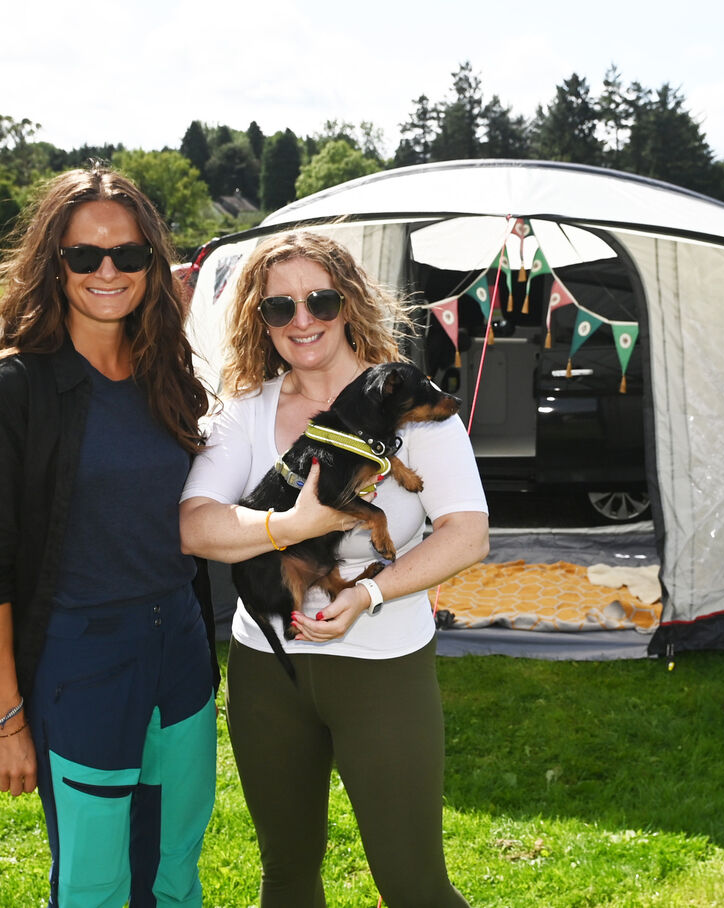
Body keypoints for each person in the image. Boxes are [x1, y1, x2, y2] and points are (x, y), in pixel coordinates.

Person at [180, 230, 489, 907]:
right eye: (279, 308)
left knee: (413, 886)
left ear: (348, 303)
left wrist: (371, 591)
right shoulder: (246, 410)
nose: (303, 321)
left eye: (320, 300)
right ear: (258, 321)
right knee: (287, 880)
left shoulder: (409, 404)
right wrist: (290, 526)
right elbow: (194, 525)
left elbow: (467, 535)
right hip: (267, 671)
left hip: (384, 670)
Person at [0, 166, 219, 908]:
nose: (108, 272)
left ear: (153, 266)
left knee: (173, 868)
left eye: (128, 255)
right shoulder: (12, 390)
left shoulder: (170, 373)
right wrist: (6, 720)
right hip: (82, 662)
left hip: (182, 654)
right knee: (97, 882)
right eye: (84, 255)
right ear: (51, 262)